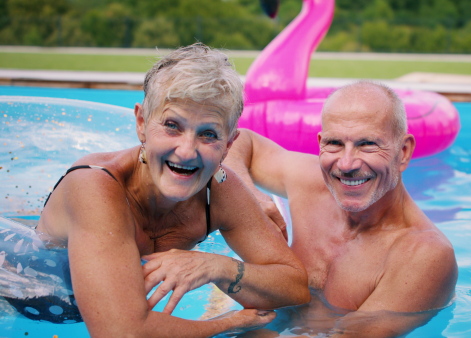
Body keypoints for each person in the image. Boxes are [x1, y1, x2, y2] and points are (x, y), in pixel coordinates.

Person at [24, 43, 310, 336]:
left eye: (208, 134)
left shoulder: (219, 190)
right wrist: (227, 324)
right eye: (172, 126)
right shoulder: (95, 187)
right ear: (141, 123)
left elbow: (295, 287)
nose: (186, 152)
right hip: (27, 291)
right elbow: (121, 333)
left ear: (228, 146)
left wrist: (215, 267)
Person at [219, 80, 459, 337]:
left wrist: (220, 272)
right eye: (334, 143)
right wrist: (250, 196)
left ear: (403, 152)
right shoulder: (311, 182)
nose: (346, 164)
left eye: (367, 144)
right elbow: (240, 141)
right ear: (320, 142)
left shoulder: (423, 257)